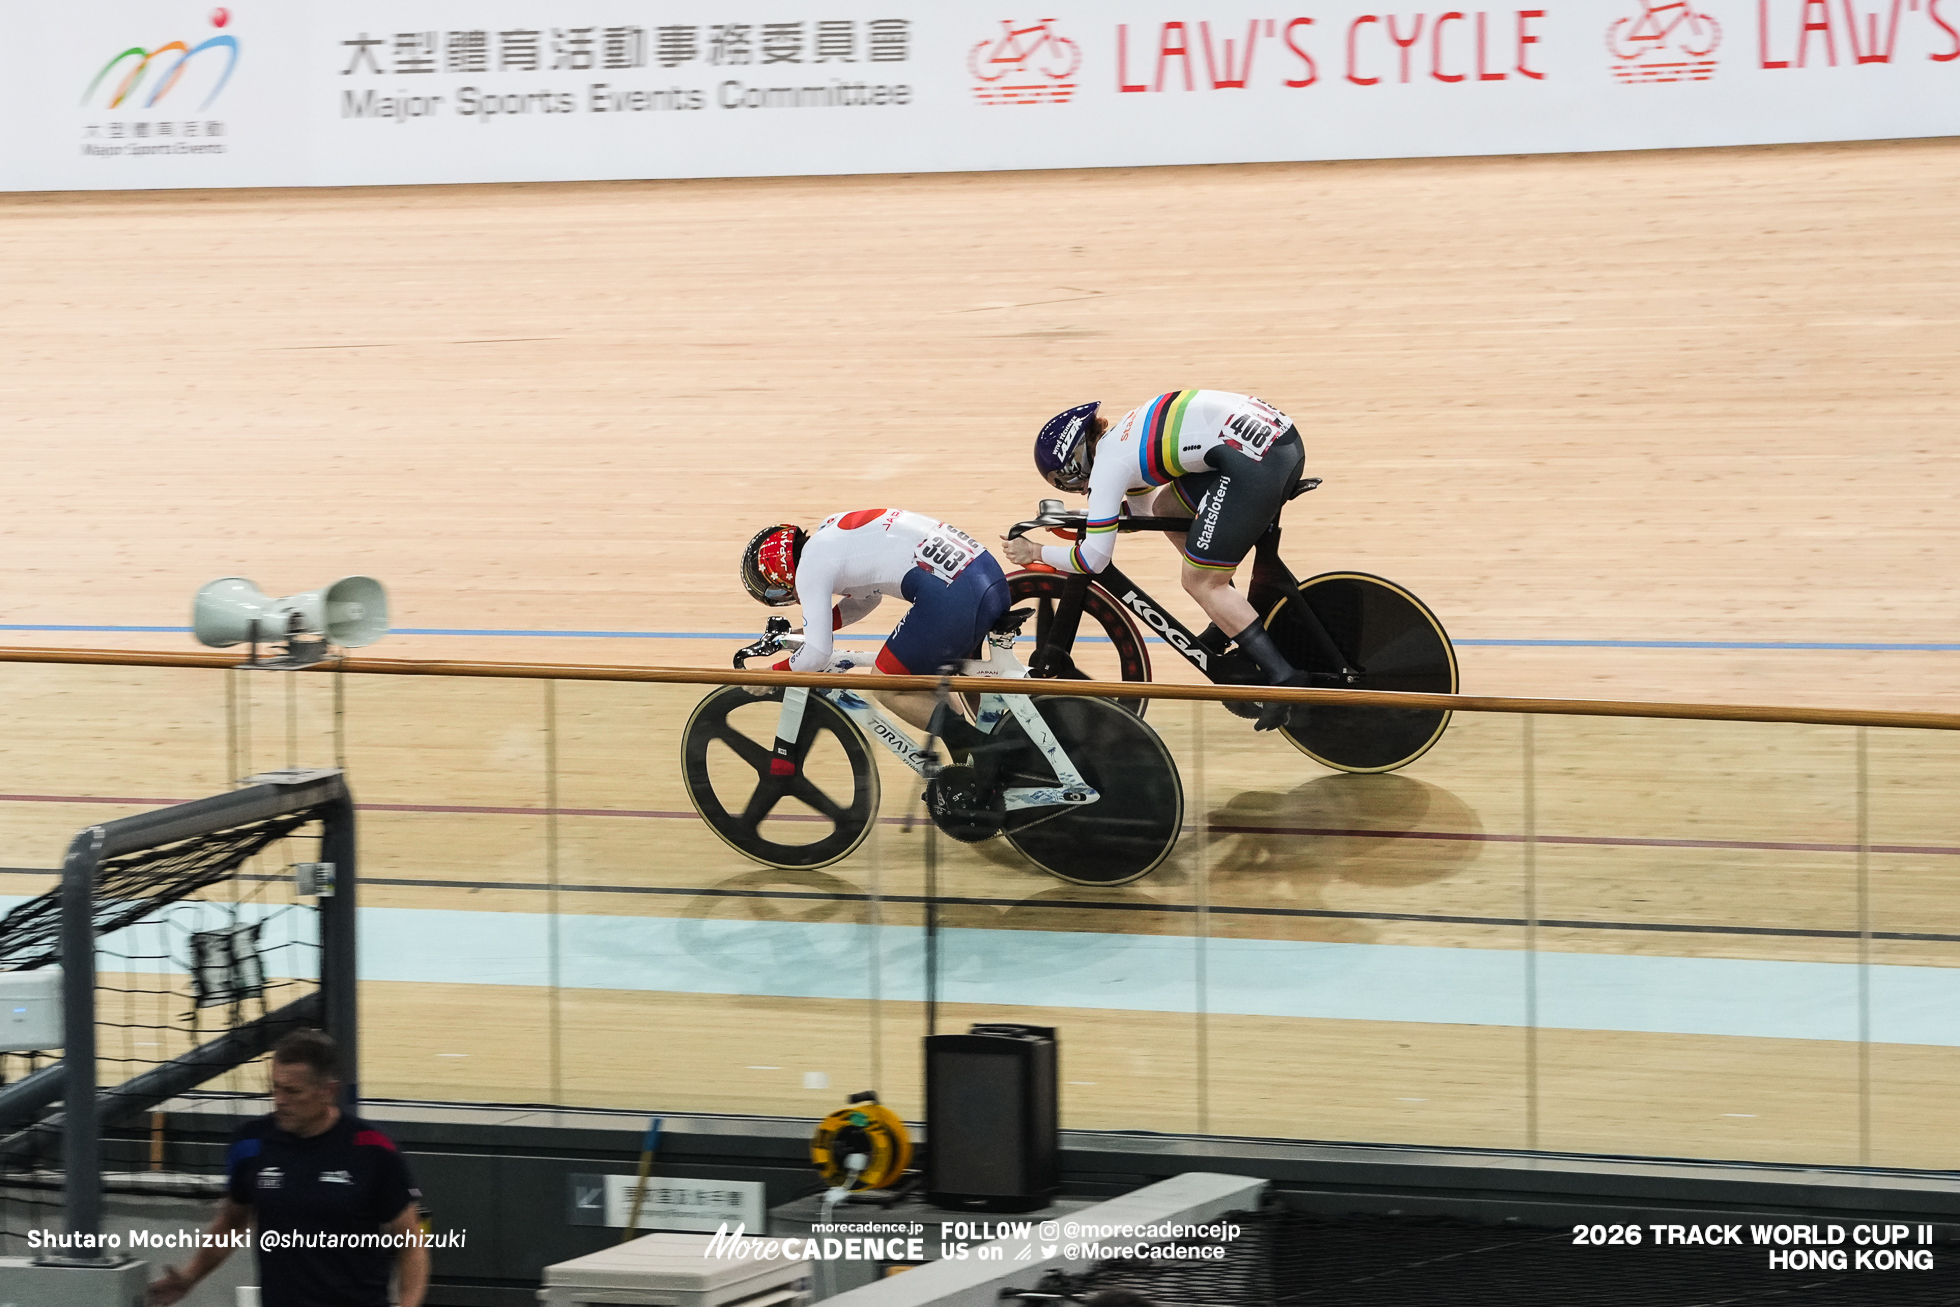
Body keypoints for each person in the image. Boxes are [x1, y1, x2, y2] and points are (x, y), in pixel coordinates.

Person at [1002, 392, 1307, 729]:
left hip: (1255, 462)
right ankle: (1226, 623)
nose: (1073, 488)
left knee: (1200, 581)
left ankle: (1284, 678)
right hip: (1271, 443)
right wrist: (1083, 519)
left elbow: (1095, 560)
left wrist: (1034, 553)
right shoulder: (1121, 441)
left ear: (1073, 465)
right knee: (1168, 509)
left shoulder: (1108, 465)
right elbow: (1144, 513)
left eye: (1064, 481)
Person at [148, 1029, 428, 1307]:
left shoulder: (374, 1148)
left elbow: (412, 1243)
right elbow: (232, 1223)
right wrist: (189, 1277)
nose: (280, 1100)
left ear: (327, 1091)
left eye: (293, 1091)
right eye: (276, 1088)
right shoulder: (250, 1142)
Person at [739, 508, 1010, 750]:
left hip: (955, 597)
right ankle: (968, 763)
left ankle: (984, 754)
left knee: (886, 684)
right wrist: (804, 632)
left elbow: (817, 654)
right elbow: (866, 599)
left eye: (775, 590)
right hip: (986, 575)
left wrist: (770, 675)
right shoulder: (829, 531)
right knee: (920, 683)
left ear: (780, 574)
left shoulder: (808, 569)